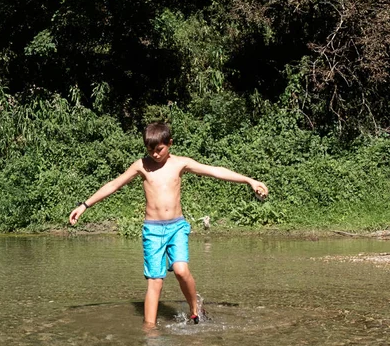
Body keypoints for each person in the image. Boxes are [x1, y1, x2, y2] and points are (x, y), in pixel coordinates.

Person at [69, 122, 269, 328]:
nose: (155, 155)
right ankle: (149, 331)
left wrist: (249, 180)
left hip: (176, 228)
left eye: (159, 150)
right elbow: (114, 184)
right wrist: (84, 205)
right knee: (155, 282)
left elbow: (214, 171)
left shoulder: (180, 163)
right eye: (150, 150)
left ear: (169, 143)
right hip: (153, 231)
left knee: (181, 270)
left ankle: (195, 309)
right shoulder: (141, 166)